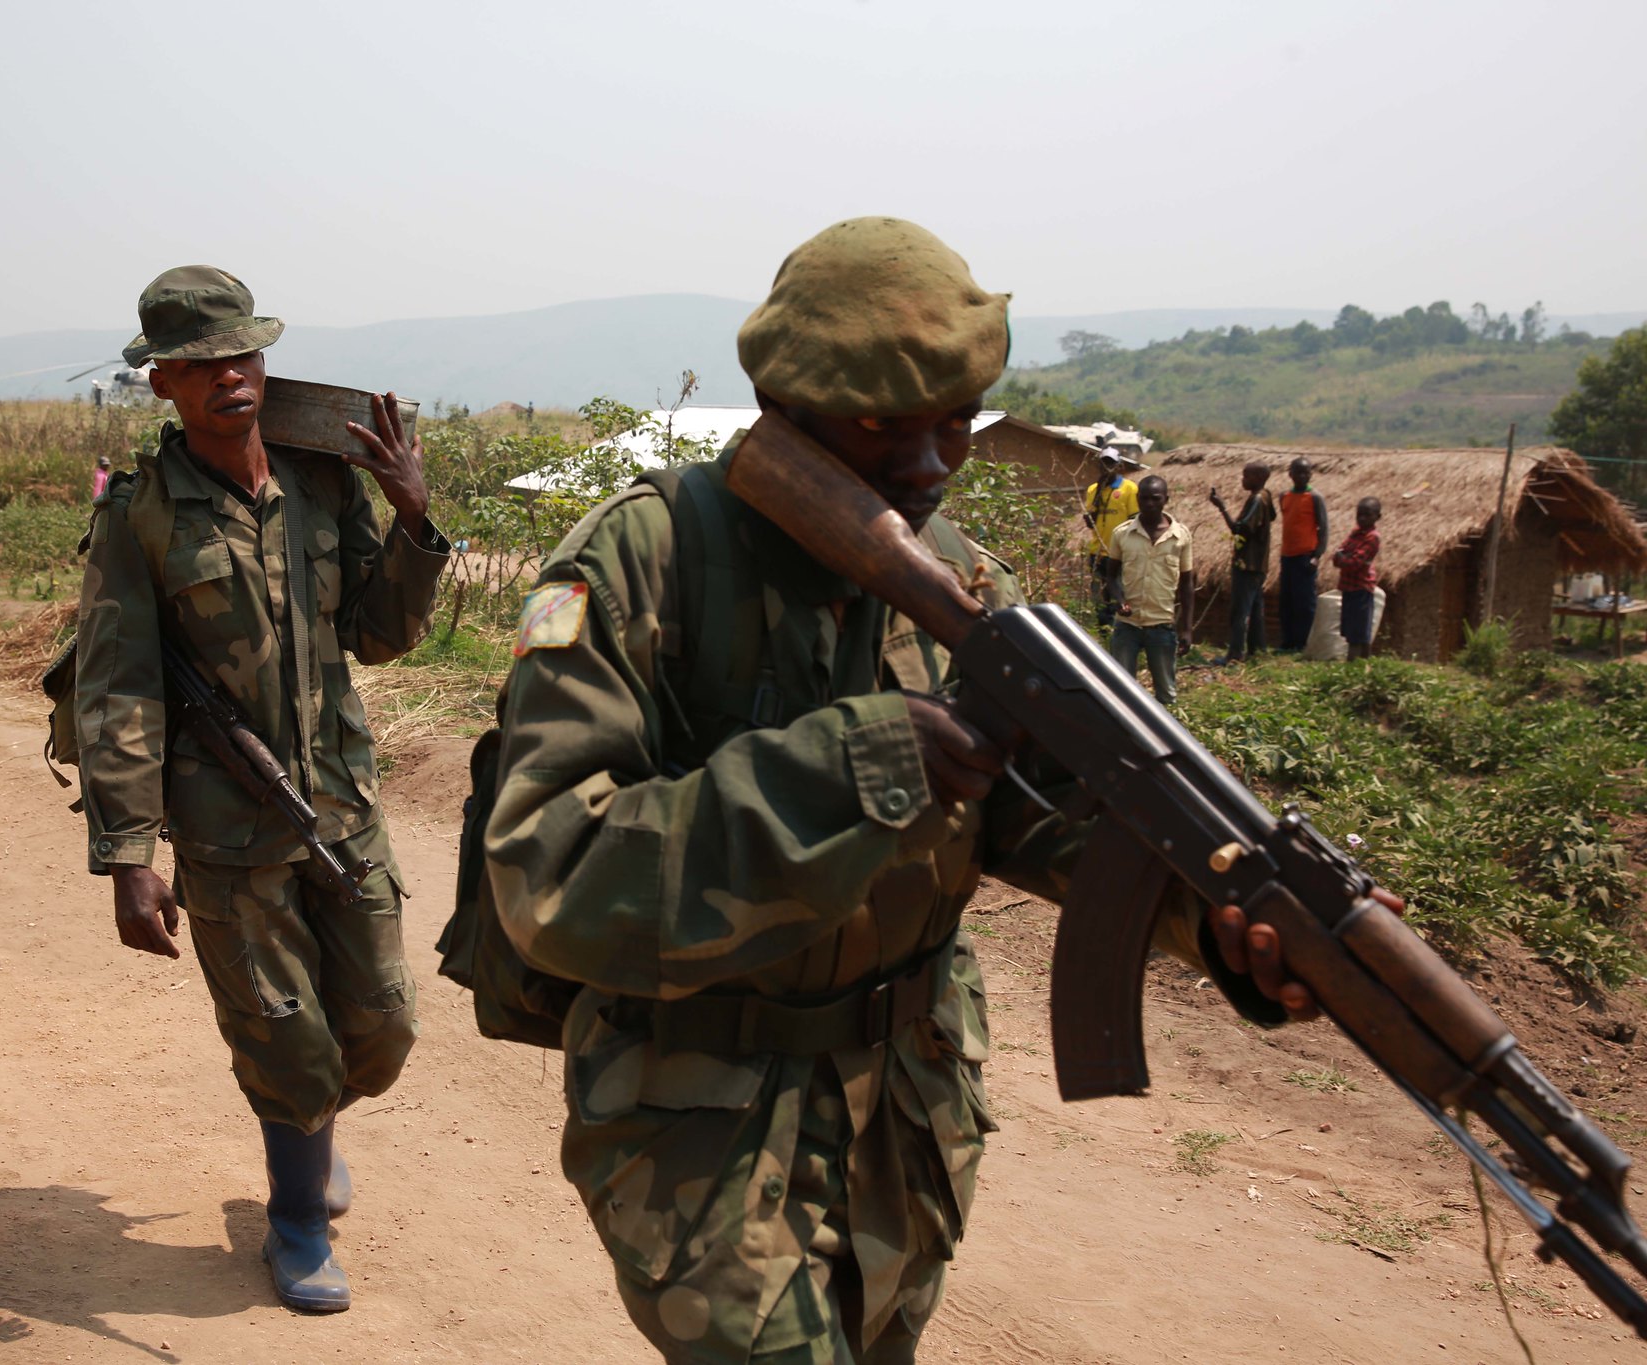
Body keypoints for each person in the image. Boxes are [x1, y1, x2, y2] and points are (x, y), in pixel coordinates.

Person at [484, 218, 1319, 1364]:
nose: (927, 466)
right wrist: (856, 764)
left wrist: (1225, 920)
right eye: (882, 431)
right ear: (782, 406)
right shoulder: (639, 562)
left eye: (950, 427)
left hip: (908, 1100)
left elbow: (1050, 816)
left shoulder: (962, 581)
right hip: (697, 1105)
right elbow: (550, 876)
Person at [72, 265, 449, 1314]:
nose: (228, 377)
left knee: (381, 1028)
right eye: (199, 365)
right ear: (163, 385)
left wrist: (412, 516)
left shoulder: (322, 484)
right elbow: (118, 688)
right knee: (284, 1036)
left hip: (341, 802)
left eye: (241, 354)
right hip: (226, 829)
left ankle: (311, 1121)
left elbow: (379, 633)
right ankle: (293, 1218)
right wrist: (129, 856)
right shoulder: (141, 517)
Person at [1104, 474, 1195, 704]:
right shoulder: (1122, 534)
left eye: (1155, 499)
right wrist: (1119, 599)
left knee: (1166, 694)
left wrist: (1186, 629)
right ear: (1137, 499)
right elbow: (1111, 576)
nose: (1149, 504)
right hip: (1127, 625)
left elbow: (1186, 585)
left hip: (1162, 625)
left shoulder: (1180, 537)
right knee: (1121, 692)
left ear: (1166, 499)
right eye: (1144, 499)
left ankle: (1166, 738)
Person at [1207, 461, 1275, 663]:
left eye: (1246, 476)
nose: (1242, 479)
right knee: (1255, 609)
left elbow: (1239, 528)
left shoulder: (1256, 500)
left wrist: (1222, 507)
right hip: (1258, 564)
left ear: (1259, 478)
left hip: (1248, 563)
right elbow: (1271, 517)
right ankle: (1257, 650)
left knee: (1240, 611)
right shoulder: (1266, 496)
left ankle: (1235, 653)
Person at [1080, 446, 1139, 628]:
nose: (1107, 468)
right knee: (1099, 596)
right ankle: (1102, 631)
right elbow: (1092, 522)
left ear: (1119, 466)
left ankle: (1119, 629)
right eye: (1103, 463)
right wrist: (1097, 498)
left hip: (1119, 552)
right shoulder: (1093, 489)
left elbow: (1134, 520)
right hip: (1097, 551)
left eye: (1111, 464)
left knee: (1119, 594)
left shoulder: (1129, 488)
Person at [1277, 457, 1327, 650]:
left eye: (1306, 472)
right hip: (1287, 555)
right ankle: (1287, 642)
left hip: (1305, 556)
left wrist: (1317, 556)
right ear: (1290, 474)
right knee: (1286, 601)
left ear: (1311, 475)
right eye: (1298, 472)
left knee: (1305, 603)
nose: (1302, 476)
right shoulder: (1285, 496)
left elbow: (1323, 528)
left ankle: (1304, 643)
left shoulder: (1315, 497)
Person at [1332, 496, 1383, 660]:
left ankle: (1354, 667)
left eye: (1367, 515)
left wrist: (1343, 558)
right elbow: (1338, 555)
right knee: (1351, 629)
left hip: (1361, 587)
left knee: (1359, 631)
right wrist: (1343, 557)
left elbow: (1355, 562)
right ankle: (1360, 665)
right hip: (1348, 586)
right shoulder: (1355, 533)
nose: (1362, 518)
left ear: (1377, 517)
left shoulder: (1372, 537)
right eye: (1359, 514)